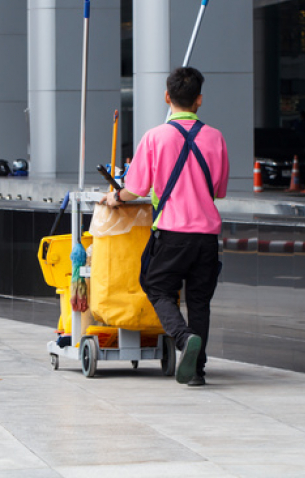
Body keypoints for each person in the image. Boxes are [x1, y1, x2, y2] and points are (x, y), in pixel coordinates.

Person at [100, 67, 230, 386]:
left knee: (157, 287)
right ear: (199, 100)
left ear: (166, 97)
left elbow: (137, 189)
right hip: (206, 237)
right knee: (199, 301)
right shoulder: (215, 137)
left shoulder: (155, 137)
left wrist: (116, 197)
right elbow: (219, 190)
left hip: (172, 233)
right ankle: (197, 371)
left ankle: (184, 339)